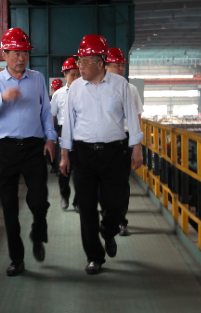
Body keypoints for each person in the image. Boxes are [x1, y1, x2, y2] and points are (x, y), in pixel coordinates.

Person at [59, 34, 143, 275]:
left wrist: (137, 148)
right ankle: (94, 257)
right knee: (86, 208)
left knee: (114, 203)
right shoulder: (75, 88)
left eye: (85, 62)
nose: (80, 67)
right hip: (83, 154)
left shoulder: (121, 86)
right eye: (80, 62)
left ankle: (108, 231)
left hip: (114, 153)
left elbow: (132, 118)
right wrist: (65, 155)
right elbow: (68, 124)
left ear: (100, 63)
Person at [0, 28, 57, 277]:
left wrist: (51, 138)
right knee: (9, 208)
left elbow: (46, 111)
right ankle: (17, 259)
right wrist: (2, 98)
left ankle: (38, 232)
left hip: (33, 147)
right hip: (5, 151)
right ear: (4, 55)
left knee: (39, 200)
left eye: (24, 53)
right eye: (16, 53)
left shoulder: (37, 79)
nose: (21, 58)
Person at [105, 46, 142, 236]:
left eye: (122, 65)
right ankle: (107, 217)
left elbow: (137, 118)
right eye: (117, 65)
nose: (121, 69)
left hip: (125, 139)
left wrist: (137, 147)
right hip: (104, 139)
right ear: (106, 66)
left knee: (121, 182)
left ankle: (121, 221)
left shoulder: (131, 89)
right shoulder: (98, 88)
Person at [52, 57, 81, 210]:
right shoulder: (58, 94)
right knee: (63, 167)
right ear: (65, 75)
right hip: (63, 132)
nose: (76, 78)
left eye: (78, 74)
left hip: (81, 132)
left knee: (80, 169)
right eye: (72, 75)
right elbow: (52, 116)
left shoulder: (86, 91)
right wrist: (52, 137)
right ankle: (65, 195)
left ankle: (78, 201)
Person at [48, 78, 65, 176]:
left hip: (61, 127)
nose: (54, 92)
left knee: (60, 149)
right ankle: (54, 167)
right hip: (53, 128)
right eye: (54, 90)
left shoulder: (63, 95)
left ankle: (59, 169)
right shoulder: (49, 99)